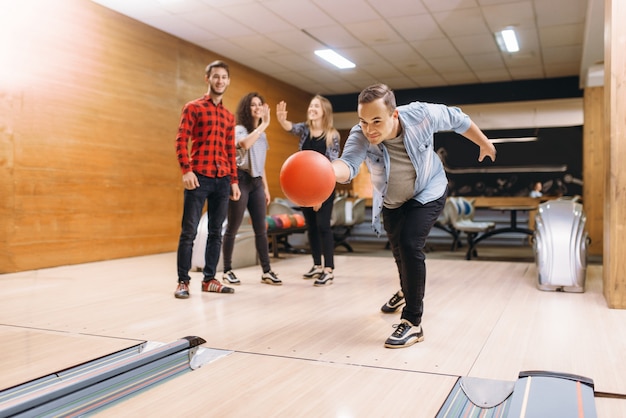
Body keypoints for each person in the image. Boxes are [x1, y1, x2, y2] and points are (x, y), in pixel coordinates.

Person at [332, 84, 496, 348]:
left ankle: (412, 322)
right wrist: (327, 171)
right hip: (392, 200)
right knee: (398, 249)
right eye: (363, 121)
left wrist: (484, 142)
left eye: (376, 121)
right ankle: (406, 292)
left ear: (394, 115)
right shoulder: (360, 135)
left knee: (410, 244)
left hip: (428, 190)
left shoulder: (421, 115)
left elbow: (458, 119)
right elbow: (348, 165)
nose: (369, 129)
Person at [173, 60, 241, 299]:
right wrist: (186, 170)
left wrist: (233, 180)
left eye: (224, 77)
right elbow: (181, 140)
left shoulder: (228, 117)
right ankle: (183, 281)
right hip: (198, 177)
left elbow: (230, 151)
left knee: (216, 232)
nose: (220, 80)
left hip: (222, 179)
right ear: (208, 79)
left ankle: (210, 279)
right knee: (189, 231)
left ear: (228, 81)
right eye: (216, 76)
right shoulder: (193, 107)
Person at [276, 96, 340, 286]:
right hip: (304, 188)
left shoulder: (332, 135)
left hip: (324, 188)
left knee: (323, 227)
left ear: (324, 111)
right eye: (310, 105)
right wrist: (281, 120)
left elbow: (332, 165)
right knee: (311, 228)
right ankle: (317, 265)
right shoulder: (305, 129)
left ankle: (328, 269)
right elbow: (291, 127)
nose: (311, 108)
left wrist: (321, 193)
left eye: (316, 106)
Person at [221, 92, 281, 286]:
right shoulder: (239, 129)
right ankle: (227, 270)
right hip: (240, 179)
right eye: (253, 105)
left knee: (260, 230)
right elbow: (244, 144)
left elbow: (261, 163)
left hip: (256, 183)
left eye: (259, 105)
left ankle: (267, 271)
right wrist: (264, 124)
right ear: (247, 109)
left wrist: (266, 188)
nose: (256, 108)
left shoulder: (262, 135)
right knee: (233, 227)